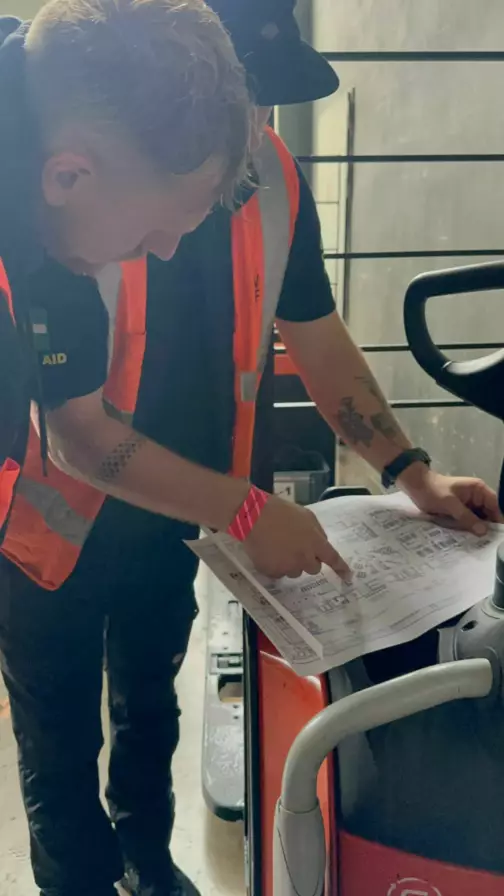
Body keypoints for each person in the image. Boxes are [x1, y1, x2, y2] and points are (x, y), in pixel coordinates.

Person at [0, 2, 500, 896]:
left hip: (180, 519)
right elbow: (76, 436)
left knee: (150, 702)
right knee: (58, 736)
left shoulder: (269, 182)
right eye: (244, 94)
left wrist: (411, 472)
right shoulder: (65, 217)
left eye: (261, 101)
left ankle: (148, 862)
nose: (250, 128)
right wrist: (245, 509)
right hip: (52, 531)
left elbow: (320, 339)